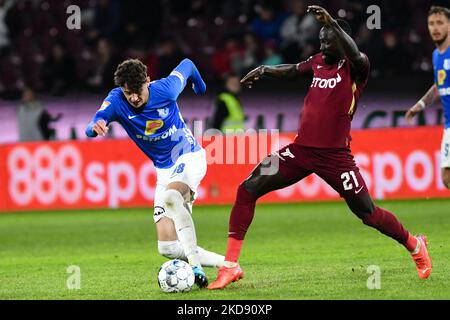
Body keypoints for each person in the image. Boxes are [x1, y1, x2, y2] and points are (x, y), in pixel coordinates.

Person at [208, 5, 432, 290]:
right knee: (247, 188)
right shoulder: (317, 62)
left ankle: (415, 245)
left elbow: (354, 53)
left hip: (336, 158)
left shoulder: (357, 66)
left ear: (342, 40)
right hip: (301, 151)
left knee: (369, 214)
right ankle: (230, 266)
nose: (322, 44)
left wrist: (333, 24)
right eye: (321, 38)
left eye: (328, 39)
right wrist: (264, 70)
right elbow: (292, 70)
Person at [85, 58, 224, 288]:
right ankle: (227, 264)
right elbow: (94, 122)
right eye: (128, 93)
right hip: (164, 171)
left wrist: (200, 85)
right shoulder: (117, 100)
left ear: (148, 82)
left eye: (138, 91)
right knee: (167, 247)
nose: (134, 98)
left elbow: (188, 64)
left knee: (172, 198)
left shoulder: (166, 89)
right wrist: (96, 125)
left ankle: (195, 267)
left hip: (188, 156)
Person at [405, 6, 450, 190]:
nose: (435, 28)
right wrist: (420, 105)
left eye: (440, 23)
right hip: (449, 124)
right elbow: (439, 86)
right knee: (446, 178)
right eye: (431, 23)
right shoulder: (436, 55)